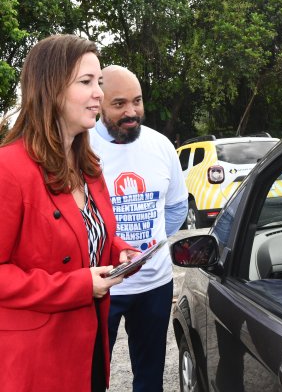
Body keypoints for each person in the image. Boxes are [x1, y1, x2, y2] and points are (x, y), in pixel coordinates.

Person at [0, 34, 139, 392]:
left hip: (90, 347)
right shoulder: (9, 169)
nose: (99, 94)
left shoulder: (89, 167)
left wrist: (116, 250)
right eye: (86, 82)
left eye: (100, 83)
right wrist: (78, 285)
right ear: (51, 88)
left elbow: (85, 236)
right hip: (37, 364)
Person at [89, 65, 188, 392]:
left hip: (155, 284)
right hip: (101, 287)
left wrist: (151, 244)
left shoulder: (161, 146)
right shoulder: (81, 146)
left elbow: (176, 207)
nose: (131, 112)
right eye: (119, 104)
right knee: (92, 376)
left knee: (150, 376)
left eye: (137, 101)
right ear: (100, 103)